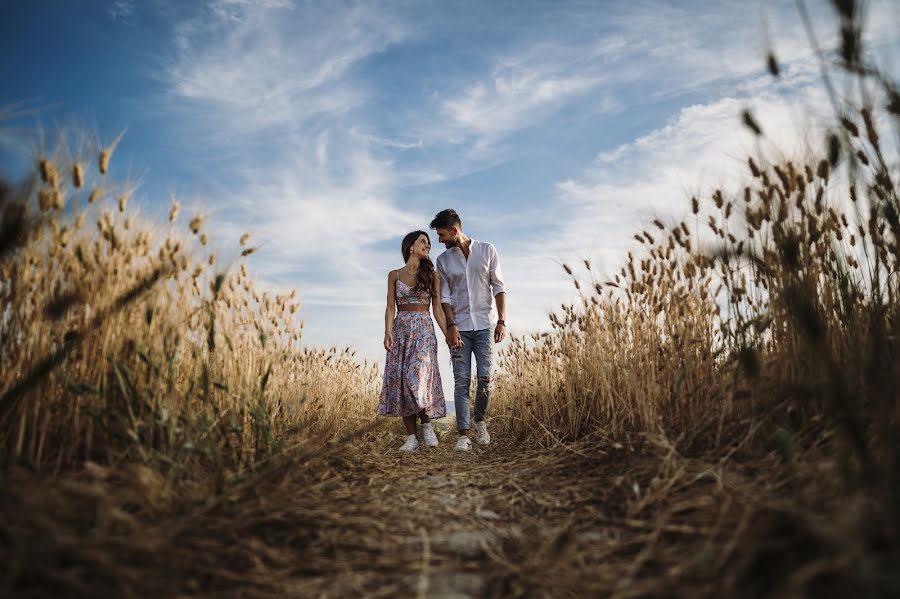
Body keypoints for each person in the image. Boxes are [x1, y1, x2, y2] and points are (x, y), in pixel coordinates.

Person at [430, 209, 507, 452]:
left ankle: (480, 421)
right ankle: (463, 434)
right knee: (461, 381)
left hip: (485, 324)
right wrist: (451, 327)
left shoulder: (487, 250)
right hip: (459, 328)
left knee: (486, 378)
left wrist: (502, 321)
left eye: (442, 235)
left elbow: (499, 287)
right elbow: (445, 297)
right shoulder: (443, 261)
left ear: (454, 230)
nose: (439, 241)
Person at [378, 230, 456, 451]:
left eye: (429, 242)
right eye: (423, 241)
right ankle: (411, 437)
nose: (428, 245)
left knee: (417, 377)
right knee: (403, 382)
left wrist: (448, 334)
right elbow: (390, 308)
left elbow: (438, 310)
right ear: (410, 247)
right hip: (400, 331)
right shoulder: (394, 275)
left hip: (423, 331)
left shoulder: (432, 276)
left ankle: (427, 426)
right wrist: (387, 332)